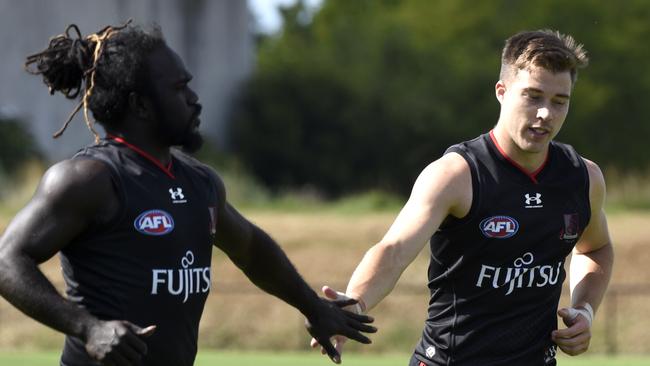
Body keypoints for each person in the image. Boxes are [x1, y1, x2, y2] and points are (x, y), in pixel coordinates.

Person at [0, 21, 376, 366]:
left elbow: (251, 250)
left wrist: (313, 307)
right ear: (140, 105)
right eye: (179, 88)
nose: (195, 99)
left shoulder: (201, 183)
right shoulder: (90, 179)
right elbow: (7, 262)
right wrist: (87, 328)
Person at [311, 29, 614, 365]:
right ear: (502, 92)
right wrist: (355, 302)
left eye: (560, 101)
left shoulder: (582, 177)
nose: (546, 113)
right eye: (533, 96)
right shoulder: (456, 175)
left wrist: (585, 309)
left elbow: (596, 247)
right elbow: (394, 251)